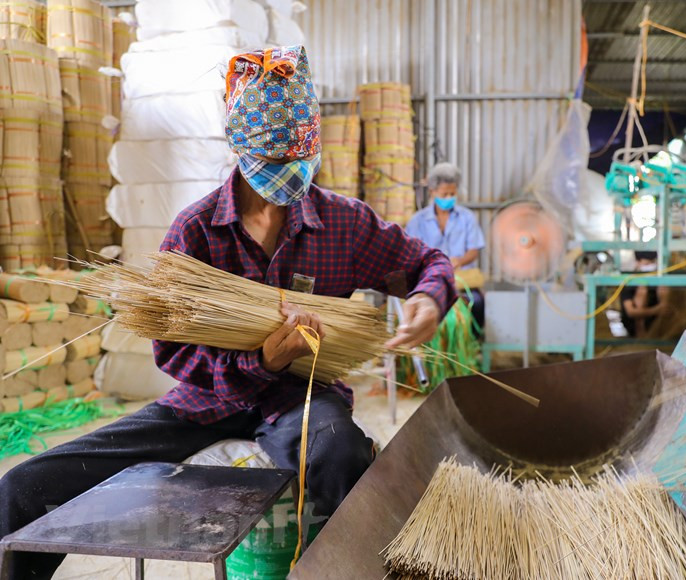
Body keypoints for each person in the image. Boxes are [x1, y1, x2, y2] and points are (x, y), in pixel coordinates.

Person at [0, 46, 456, 579]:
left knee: (342, 455)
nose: (286, 180)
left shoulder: (343, 224)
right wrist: (261, 360)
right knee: (23, 489)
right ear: (239, 149)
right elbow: (173, 354)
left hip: (302, 398)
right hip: (207, 400)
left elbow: (424, 263)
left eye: (296, 163)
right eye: (273, 165)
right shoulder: (195, 233)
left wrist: (428, 297)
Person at [406, 162, 485, 331]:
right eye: (444, 194)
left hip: (462, 281)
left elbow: (474, 251)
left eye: (452, 194)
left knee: (477, 304)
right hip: (428, 281)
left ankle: (472, 347)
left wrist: (460, 261)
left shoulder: (467, 218)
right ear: (433, 192)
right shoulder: (417, 221)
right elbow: (410, 253)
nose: (449, 198)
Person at [620, 251, 672, 338]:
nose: (651, 266)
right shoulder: (630, 282)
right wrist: (657, 310)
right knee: (642, 291)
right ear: (638, 263)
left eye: (652, 263)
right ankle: (640, 334)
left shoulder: (657, 280)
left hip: (654, 321)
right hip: (633, 325)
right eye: (647, 263)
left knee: (663, 288)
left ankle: (662, 332)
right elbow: (630, 312)